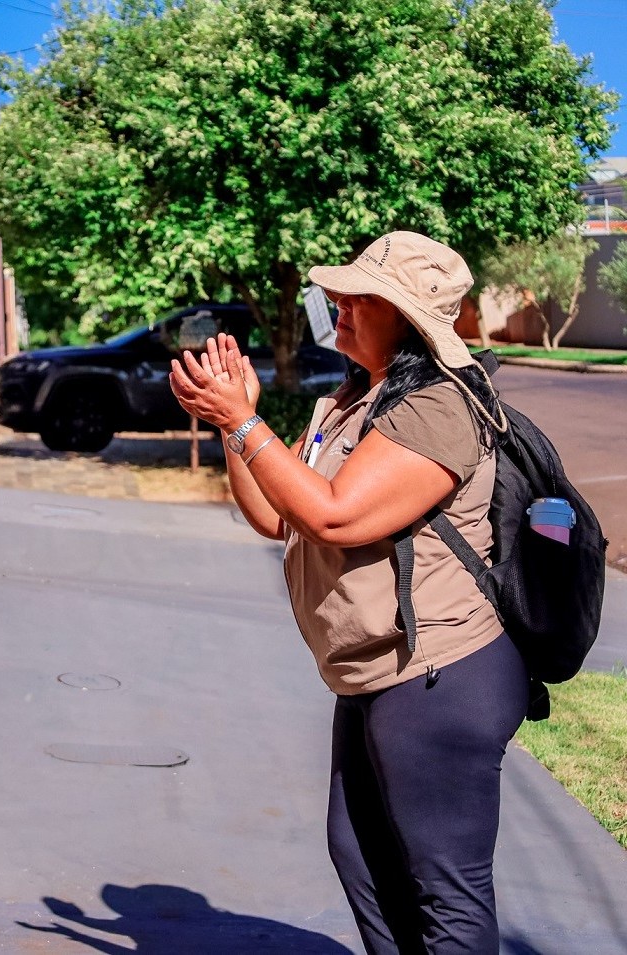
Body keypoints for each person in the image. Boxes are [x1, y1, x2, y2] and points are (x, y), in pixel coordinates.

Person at [168, 231, 527, 955]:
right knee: (364, 860)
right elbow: (280, 514)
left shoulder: (439, 407)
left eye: (364, 297)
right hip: (373, 673)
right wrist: (234, 426)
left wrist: (244, 421)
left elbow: (337, 515)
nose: (341, 304)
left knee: (444, 889)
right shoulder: (351, 400)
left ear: (408, 317)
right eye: (343, 293)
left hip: (440, 676)